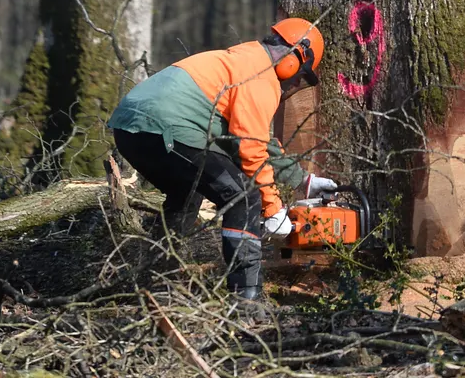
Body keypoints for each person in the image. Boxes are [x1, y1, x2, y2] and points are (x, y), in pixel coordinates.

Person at [109, 18, 336, 301]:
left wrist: (304, 180)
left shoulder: (245, 59)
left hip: (129, 130)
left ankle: (155, 281)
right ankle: (245, 300)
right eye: (300, 75)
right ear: (296, 56)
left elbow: (257, 142)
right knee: (242, 196)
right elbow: (252, 150)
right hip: (166, 129)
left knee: (186, 193)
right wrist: (272, 208)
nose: (294, 83)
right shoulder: (259, 75)